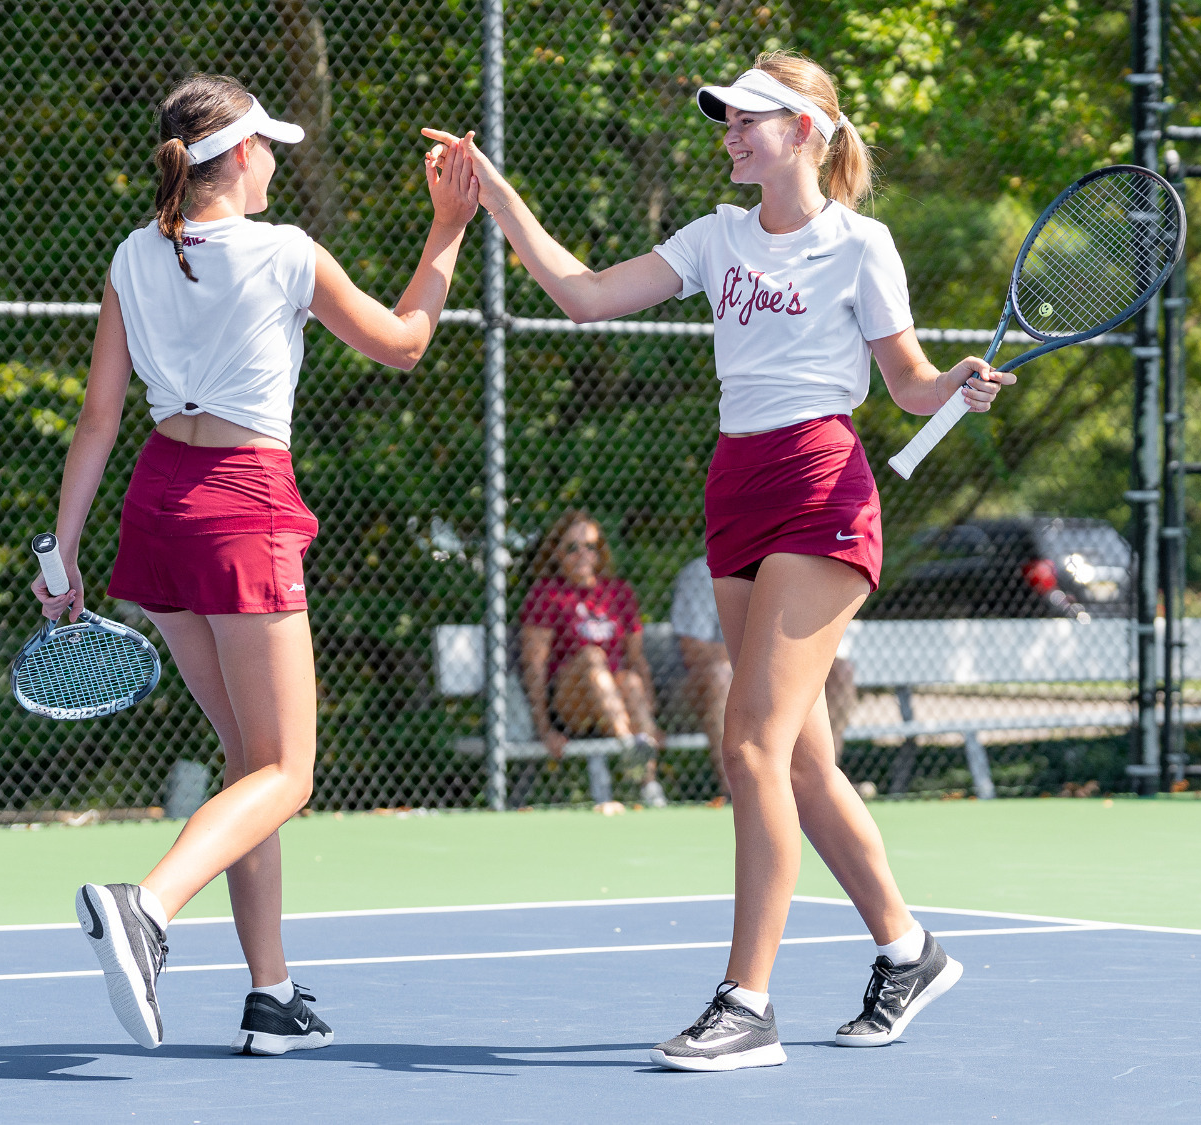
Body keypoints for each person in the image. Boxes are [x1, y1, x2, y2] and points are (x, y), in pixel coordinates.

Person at [427, 49, 1015, 1071]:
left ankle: (745, 1002)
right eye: (726, 121)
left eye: (750, 119)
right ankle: (907, 950)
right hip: (734, 488)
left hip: (821, 489)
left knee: (746, 747)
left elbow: (907, 385)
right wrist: (498, 198)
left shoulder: (860, 245)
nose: (731, 133)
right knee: (792, 755)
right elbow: (580, 294)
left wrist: (952, 378)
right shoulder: (714, 237)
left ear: (805, 132)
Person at [36, 74, 476, 1054]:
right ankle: (146, 908)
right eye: (268, 146)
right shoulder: (285, 253)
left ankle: (269, 994)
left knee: (250, 763)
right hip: (243, 507)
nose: (277, 158)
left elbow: (99, 416)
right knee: (290, 772)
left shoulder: (131, 253)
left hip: (158, 507)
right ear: (236, 157)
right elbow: (403, 345)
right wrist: (446, 228)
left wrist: (60, 550)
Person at [671, 555, 857, 797]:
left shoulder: (798, 569)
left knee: (839, 672)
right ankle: (737, 791)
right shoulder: (702, 572)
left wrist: (774, 660)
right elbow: (693, 650)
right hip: (704, 692)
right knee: (720, 675)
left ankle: (821, 780)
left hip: (779, 681)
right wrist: (765, 654)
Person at [516, 511, 666, 810]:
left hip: (616, 699)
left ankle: (649, 785)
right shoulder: (546, 595)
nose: (582, 554)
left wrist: (650, 718)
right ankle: (630, 747)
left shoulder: (617, 593)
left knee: (631, 680)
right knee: (590, 656)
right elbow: (534, 666)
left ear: (600, 552)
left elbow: (636, 659)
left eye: (589, 546)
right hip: (571, 706)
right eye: (572, 547)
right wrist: (544, 729)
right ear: (557, 553)